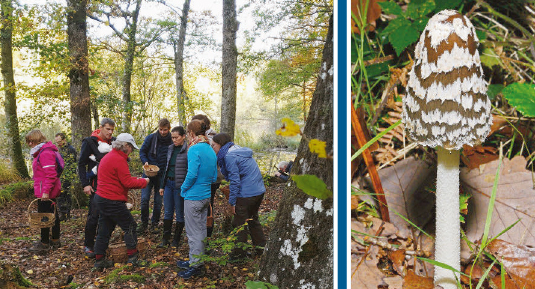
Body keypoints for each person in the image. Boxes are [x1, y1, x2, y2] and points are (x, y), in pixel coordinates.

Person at [92, 133, 149, 270]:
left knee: (104, 229)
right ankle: (133, 258)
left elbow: (119, 178)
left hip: (101, 199)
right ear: (125, 146)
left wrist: (135, 179)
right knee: (130, 226)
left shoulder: (110, 157)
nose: (131, 151)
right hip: (112, 200)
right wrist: (144, 181)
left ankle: (99, 261)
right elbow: (127, 182)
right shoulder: (118, 159)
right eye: (131, 148)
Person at [211, 133, 266, 260]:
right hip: (258, 190)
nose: (212, 148)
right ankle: (261, 249)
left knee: (239, 223)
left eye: (213, 145)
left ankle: (238, 255)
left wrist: (232, 203)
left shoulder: (229, 156)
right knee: (252, 220)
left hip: (247, 193)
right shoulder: (237, 150)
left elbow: (235, 181)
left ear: (221, 144)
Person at [176, 120, 217, 279]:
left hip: (193, 197)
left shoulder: (194, 149)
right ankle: (196, 261)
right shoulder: (209, 148)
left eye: (187, 132)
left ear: (191, 133)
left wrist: (183, 188)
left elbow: (192, 174)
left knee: (193, 233)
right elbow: (214, 176)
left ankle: (196, 267)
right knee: (201, 231)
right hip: (206, 196)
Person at [78, 118, 116, 258]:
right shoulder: (89, 142)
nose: (110, 132)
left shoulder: (114, 141)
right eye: (108, 129)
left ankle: (101, 245)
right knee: (94, 216)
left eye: (112, 129)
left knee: (107, 216)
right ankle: (88, 245)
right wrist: (85, 184)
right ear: (100, 128)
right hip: (95, 185)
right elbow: (81, 164)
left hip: (112, 185)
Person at [26, 130, 63, 254]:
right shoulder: (42, 151)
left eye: (32, 141)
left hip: (46, 191)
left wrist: (45, 192)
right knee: (52, 213)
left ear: (38, 140)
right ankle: (55, 240)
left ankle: (44, 243)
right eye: (28, 141)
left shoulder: (45, 153)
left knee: (44, 216)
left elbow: (51, 174)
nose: (30, 143)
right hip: (46, 189)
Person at [138, 118, 173, 234]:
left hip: (162, 175)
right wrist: (145, 161)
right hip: (148, 172)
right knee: (144, 199)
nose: (163, 132)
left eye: (165, 130)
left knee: (158, 201)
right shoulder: (151, 138)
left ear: (169, 129)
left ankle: (154, 223)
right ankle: (144, 223)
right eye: (161, 129)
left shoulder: (171, 140)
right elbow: (142, 151)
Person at [157, 126, 188, 248]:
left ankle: (176, 240)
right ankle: (165, 239)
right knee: (168, 212)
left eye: (176, 137)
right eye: (172, 137)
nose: (174, 140)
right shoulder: (170, 148)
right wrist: (162, 185)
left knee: (180, 213)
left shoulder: (188, 150)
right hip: (168, 184)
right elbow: (166, 167)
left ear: (183, 136)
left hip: (180, 185)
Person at [191, 114, 220, 238]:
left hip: (210, 178)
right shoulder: (197, 139)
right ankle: (200, 235)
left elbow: (210, 157)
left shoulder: (211, 138)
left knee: (207, 205)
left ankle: (206, 235)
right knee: (202, 205)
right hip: (202, 177)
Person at [54, 132, 77, 221]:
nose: (58, 144)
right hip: (59, 176)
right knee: (60, 195)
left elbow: (72, 164)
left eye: (59, 141)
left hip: (67, 176)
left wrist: (69, 175)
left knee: (66, 194)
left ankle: (67, 214)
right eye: (57, 142)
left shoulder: (70, 149)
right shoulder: (58, 150)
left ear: (64, 140)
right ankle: (62, 214)